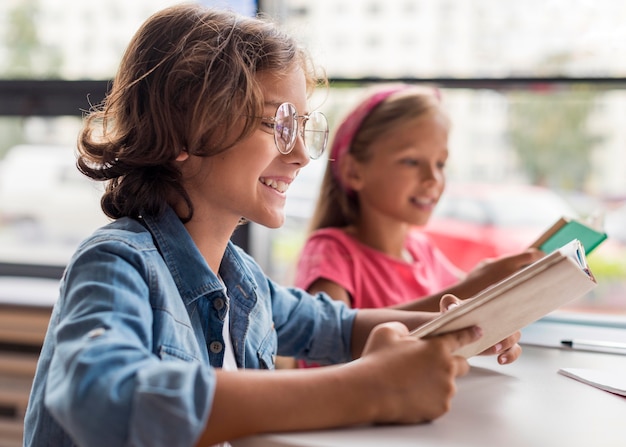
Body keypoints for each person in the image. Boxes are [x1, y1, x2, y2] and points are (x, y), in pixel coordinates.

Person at [23, 5, 522, 447]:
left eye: (303, 127)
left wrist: (472, 323)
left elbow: (339, 327)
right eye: (277, 124)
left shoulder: (241, 277)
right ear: (185, 130)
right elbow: (101, 399)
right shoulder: (117, 263)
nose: (303, 154)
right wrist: (365, 388)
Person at [295, 85, 542, 315]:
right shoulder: (330, 253)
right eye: (412, 161)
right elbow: (333, 343)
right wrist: (471, 287)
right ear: (354, 171)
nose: (433, 178)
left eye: (440, 164)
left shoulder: (423, 252)